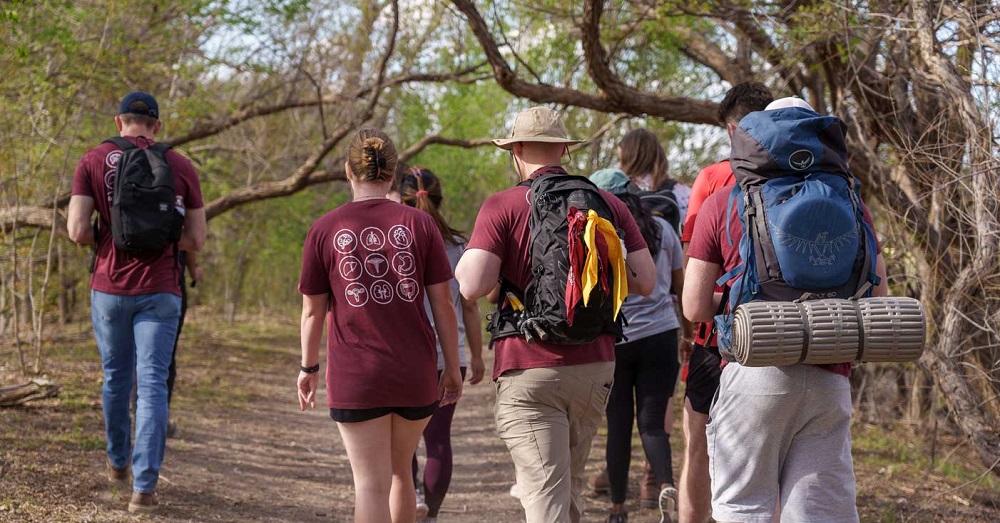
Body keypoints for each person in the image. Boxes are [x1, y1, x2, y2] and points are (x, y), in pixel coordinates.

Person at [682, 98, 889, 523]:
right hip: (831, 374)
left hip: (754, 369)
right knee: (819, 514)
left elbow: (695, 306)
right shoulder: (851, 202)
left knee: (745, 507)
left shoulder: (724, 202)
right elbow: (879, 299)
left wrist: (748, 301)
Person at [455, 106, 657, 523]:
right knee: (566, 490)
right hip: (596, 364)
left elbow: (472, 286)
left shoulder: (504, 205)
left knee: (546, 500)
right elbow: (645, 281)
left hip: (529, 369)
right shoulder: (608, 204)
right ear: (564, 148)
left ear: (518, 150)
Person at [297, 129, 464, 523]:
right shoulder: (421, 226)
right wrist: (453, 367)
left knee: (370, 485)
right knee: (399, 476)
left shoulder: (325, 228)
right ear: (392, 173)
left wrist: (308, 368)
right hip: (416, 372)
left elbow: (311, 311)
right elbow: (444, 303)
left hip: (357, 376)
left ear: (347, 172)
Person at [67, 91, 207, 513]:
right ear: (157, 127)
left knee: (115, 377)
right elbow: (195, 239)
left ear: (119, 121)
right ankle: (144, 490)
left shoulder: (92, 160)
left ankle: (117, 462)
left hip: (109, 287)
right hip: (162, 288)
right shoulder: (180, 164)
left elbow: (77, 231)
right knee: (151, 385)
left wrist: (110, 237)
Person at [677, 81, 773, 523]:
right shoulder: (814, 176)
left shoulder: (715, 179)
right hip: (798, 338)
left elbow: (694, 271)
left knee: (697, 446)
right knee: (777, 461)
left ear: (733, 128)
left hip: (720, 341)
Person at [589, 169, 686, 523]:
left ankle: (617, 510)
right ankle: (665, 486)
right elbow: (679, 287)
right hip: (661, 335)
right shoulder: (663, 230)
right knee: (653, 425)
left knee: (618, 426)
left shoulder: (597, 235)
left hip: (615, 339)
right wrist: (687, 336)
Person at [397, 167, 486, 522]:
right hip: (449, 355)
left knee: (402, 438)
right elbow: (469, 305)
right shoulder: (458, 246)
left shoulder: (392, 241)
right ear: (440, 199)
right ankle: (430, 515)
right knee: (438, 439)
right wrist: (477, 356)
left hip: (404, 356)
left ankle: (412, 495)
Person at [612, 126, 692, 506]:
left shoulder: (610, 197)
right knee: (655, 415)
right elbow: (683, 272)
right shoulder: (679, 195)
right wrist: (688, 328)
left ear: (627, 155)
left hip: (620, 331)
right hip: (664, 323)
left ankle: (618, 503)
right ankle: (656, 482)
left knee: (619, 423)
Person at [166, 249, 202, 438]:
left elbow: (79, 233)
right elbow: (193, 240)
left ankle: (117, 448)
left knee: (121, 364)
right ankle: (156, 420)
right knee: (163, 358)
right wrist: (193, 268)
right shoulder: (182, 217)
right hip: (166, 285)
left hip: (114, 284)